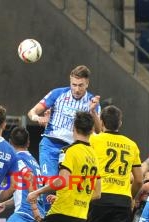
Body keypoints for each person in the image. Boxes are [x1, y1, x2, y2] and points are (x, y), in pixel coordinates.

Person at [27, 65, 101, 213]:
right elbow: (32, 112)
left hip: (73, 149)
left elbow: (98, 131)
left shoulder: (92, 101)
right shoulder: (57, 94)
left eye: (81, 85)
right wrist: (37, 118)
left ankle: (60, 218)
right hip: (50, 144)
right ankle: (48, 219)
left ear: (87, 83)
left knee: (67, 187)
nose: (77, 89)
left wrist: (92, 110)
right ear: (70, 82)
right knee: (50, 184)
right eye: (74, 84)